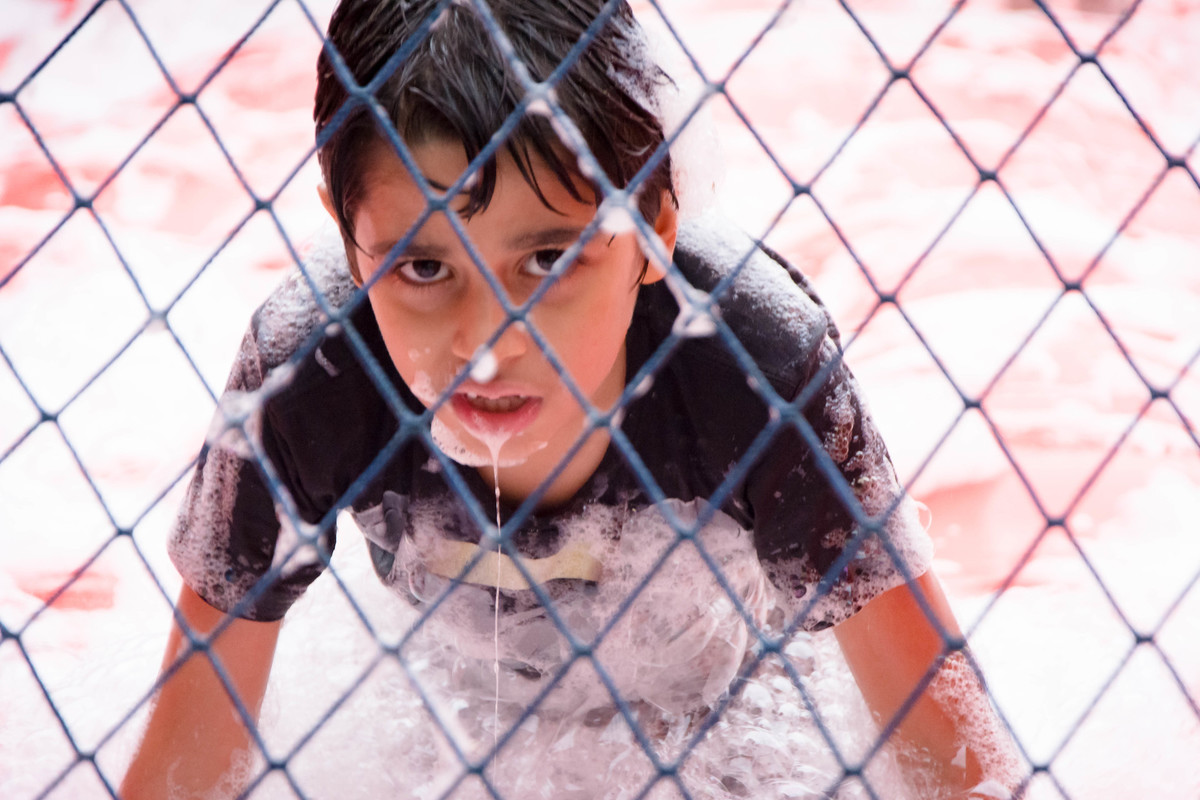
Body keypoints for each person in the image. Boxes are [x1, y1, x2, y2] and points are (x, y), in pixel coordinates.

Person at [121, 1, 1022, 797]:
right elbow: (184, 767)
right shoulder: (307, 383)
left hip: (732, 720)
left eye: (550, 260)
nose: (487, 346)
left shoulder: (749, 369)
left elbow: (956, 764)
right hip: (454, 717)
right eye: (424, 267)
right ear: (343, 230)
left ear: (654, 226)